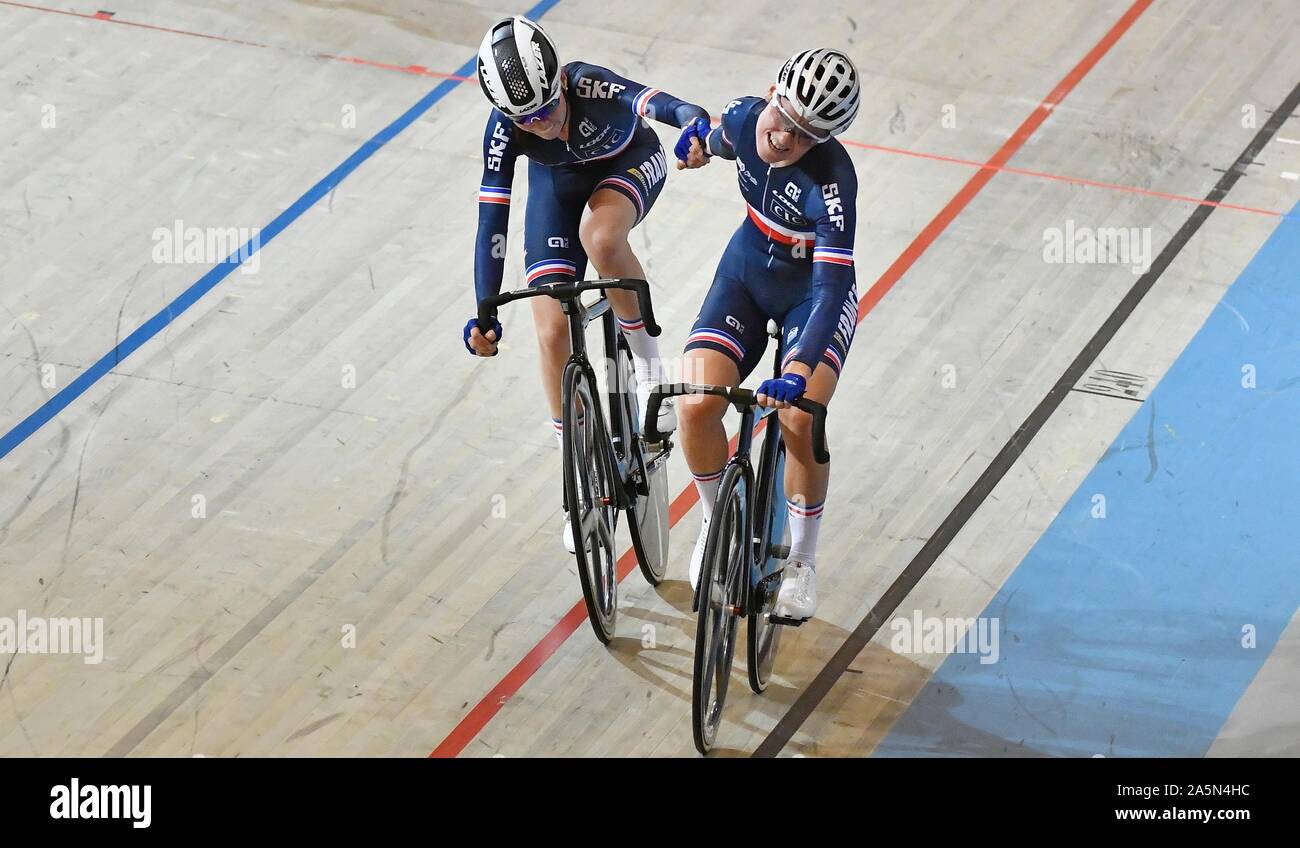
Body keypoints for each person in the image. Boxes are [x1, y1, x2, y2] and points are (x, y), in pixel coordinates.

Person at [463, 16, 712, 553]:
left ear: (559, 84)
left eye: (550, 106)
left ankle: (649, 372)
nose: (545, 123)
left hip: (628, 162)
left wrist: (693, 123)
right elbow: (492, 223)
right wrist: (485, 310)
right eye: (528, 120)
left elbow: (663, 105)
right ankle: (576, 475)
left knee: (600, 239)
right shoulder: (504, 131)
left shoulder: (587, 83)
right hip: (557, 190)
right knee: (551, 329)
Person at [675, 48, 861, 621]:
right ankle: (715, 521)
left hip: (813, 295)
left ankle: (803, 562)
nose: (783, 138)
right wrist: (696, 146)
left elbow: (832, 290)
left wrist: (798, 371)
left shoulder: (834, 183)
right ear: (771, 94)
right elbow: (714, 137)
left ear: (823, 141)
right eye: (782, 117)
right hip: (748, 272)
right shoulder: (741, 117)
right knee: (695, 404)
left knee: (800, 417)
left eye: (804, 136)